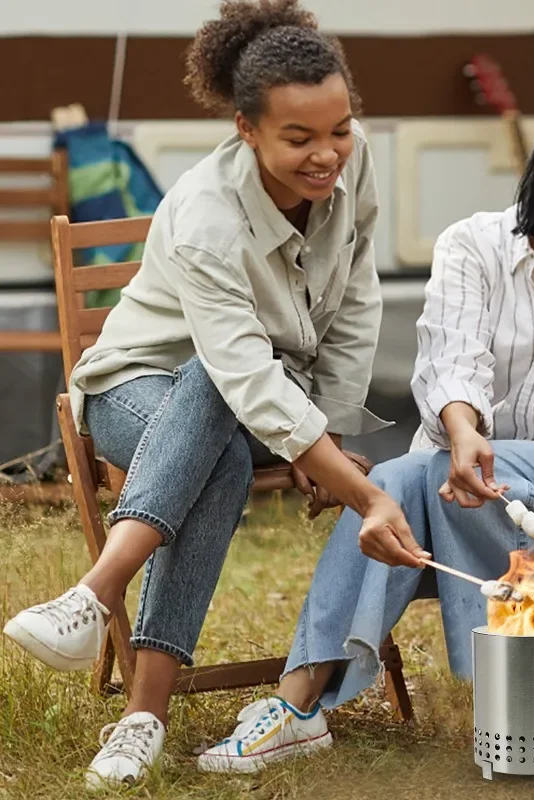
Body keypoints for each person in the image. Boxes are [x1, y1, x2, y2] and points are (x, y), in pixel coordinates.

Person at [193, 86, 534, 775]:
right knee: (405, 480)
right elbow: (451, 358)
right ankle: (300, 710)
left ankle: (305, 706)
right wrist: (464, 431)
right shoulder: (473, 245)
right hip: (465, 483)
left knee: (397, 482)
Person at [2, 0, 428, 789]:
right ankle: (138, 701)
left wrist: (327, 430)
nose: (327, 153)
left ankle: (102, 612)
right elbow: (238, 373)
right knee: (214, 391)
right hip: (136, 389)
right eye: (298, 138)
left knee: (226, 434)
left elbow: (360, 295)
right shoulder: (205, 213)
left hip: (263, 394)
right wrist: (362, 489)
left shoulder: (351, 158)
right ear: (246, 129)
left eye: (338, 129)